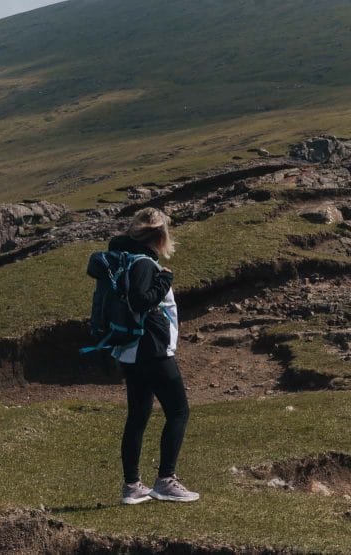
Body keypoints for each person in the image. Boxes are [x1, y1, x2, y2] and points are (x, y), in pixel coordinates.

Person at [112, 207, 200, 504]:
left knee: (138, 415)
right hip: (151, 349)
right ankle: (165, 480)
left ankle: (132, 486)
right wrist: (165, 280)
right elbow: (140, 300)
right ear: (160, 235)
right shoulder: (145, 264)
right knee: (178, 411)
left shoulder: (123, 259)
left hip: (130, 351)